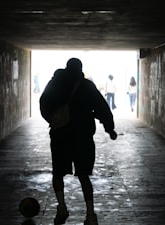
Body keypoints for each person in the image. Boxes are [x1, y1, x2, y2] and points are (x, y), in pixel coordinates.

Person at [39, 58, 117, 225]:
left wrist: (54, 120)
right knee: (83, 175)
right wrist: (109, 128)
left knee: (58, 173)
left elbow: (43, 104)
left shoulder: (55, 84)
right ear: (80, 69)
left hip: (60, 136)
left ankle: (61, 208)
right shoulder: (87, 86)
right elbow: (103, 107)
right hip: (83, 137)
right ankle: (90, 215)